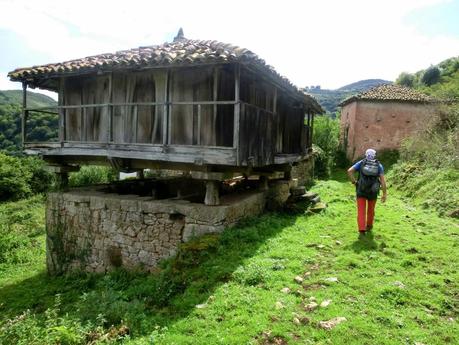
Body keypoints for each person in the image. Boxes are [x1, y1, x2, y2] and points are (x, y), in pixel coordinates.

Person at [347, 149, 387, 237]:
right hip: (373, 192)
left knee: (361, 210)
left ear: (365, 155)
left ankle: (362, 230)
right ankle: (369, 225)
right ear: (374, 156)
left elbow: (349, 171)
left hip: (361, 190)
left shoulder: (361, 163)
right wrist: (384, 194)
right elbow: (383, 181)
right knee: (371, 210)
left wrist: (355, 182)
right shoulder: (379, 165)